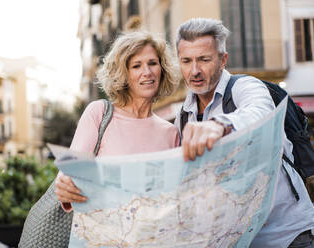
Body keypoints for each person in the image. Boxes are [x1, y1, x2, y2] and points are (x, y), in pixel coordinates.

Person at [175, 18, 314, 248]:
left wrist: (219, 125)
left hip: (288, 236)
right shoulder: (184, 114)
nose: (195, 70)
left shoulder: (245, 87)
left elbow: (261, 111)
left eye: (204, 60)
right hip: (240, 240)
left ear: (223, 60)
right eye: (186, 61)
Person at [54, 31, 180, 245]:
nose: (147, 72)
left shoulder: (171, 133)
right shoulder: (99, 113)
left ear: (163, 69)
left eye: (152, 63)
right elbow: (69, 173)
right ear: (124, 74)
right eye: (136, 66)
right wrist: (63, 185)